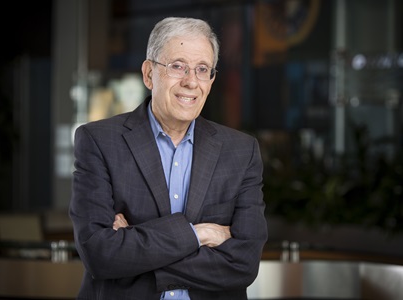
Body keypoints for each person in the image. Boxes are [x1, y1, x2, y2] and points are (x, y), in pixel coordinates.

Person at [69, 16, 268, 300]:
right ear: (149, 74)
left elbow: (244, 264)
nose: (191, 82)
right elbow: (101, 254)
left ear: (211, 80)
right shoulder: (100, 141)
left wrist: (137, 252)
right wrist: (198, 235)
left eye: (202, 69)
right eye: (177, 66)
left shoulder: (241, 151)